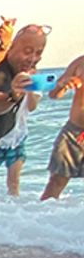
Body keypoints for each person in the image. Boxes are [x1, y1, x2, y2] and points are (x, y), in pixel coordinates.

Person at [0, 25, 48, 197]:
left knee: (13, 181)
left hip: (17, 136)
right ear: (13, 47)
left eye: (38, 53)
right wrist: (13, 94)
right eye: (27, 51)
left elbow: (32, 106)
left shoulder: (32, 75)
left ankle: (14, 213)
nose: (32, 58)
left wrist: (28, 88)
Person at [41, 54, 84, 200]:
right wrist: (63, 85)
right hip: (73, 132)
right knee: (56, 181)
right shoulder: (80, 62)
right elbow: (53, 94)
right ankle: (41, 219)